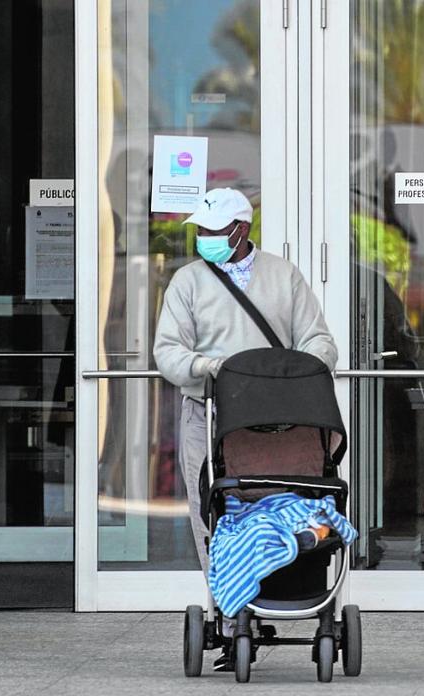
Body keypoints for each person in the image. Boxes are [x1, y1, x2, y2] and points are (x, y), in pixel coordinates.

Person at [154, 187, 338, 569]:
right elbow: (168, 352)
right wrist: (208, 366)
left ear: (241, 228)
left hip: (281, 421)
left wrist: (299, 374)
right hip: (209, 416)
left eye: (212, 230)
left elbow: (318, 340)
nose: (203, 238)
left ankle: (288, 588)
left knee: (284, 504)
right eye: (199, 230)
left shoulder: (283, 274)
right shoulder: (187, 282)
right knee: (212, 513)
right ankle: (224, 603)